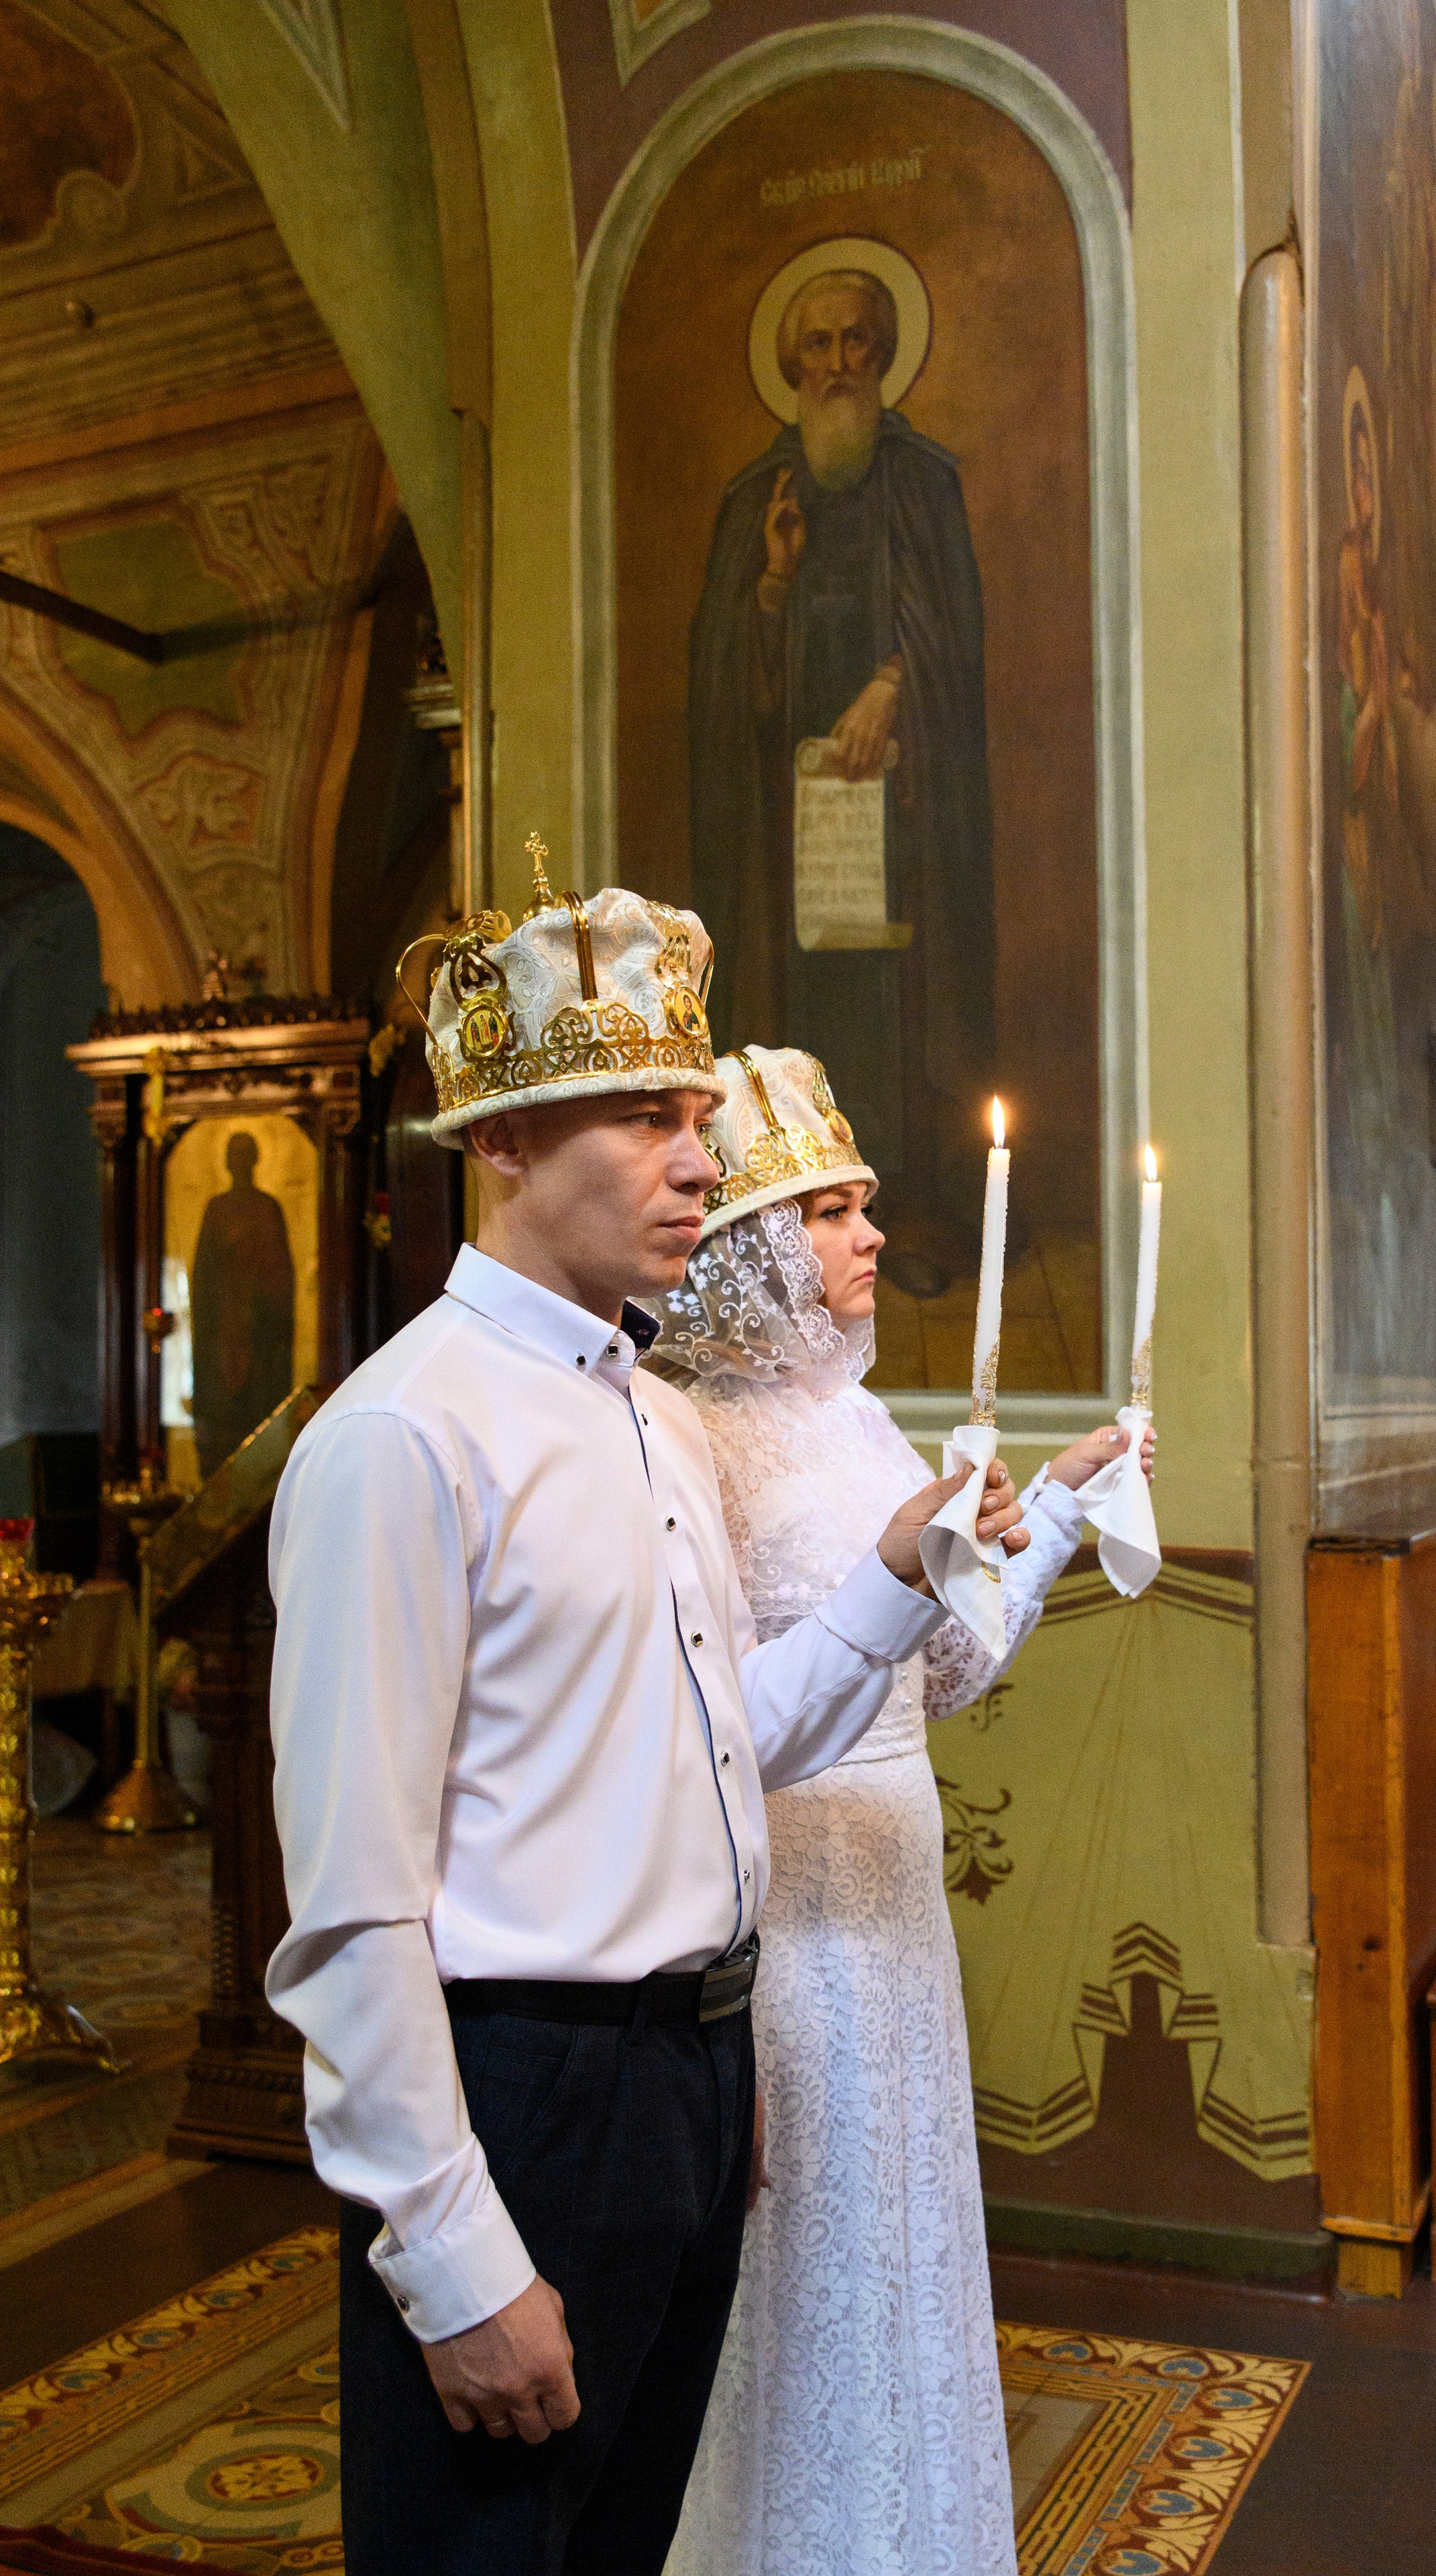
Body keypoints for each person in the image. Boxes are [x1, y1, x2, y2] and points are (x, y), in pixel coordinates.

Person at [263, 882, 1026, 2575]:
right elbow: (351, 1908)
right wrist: (451, 2248)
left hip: (684, 2077)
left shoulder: (662, 1421)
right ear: (507, 1137)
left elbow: (720, 1745)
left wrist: (900, 1574)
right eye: (645, 1116)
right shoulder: (403, 1438)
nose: (697, 1160)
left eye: (698, 1117)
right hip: (516, 2086)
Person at [645, 1046, 1155, 2576]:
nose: (872, 1235)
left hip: (898, 1913)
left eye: (865, 1206)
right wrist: (899, 1558)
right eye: (833, 1210)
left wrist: (1056, 1500)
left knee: (901, 2269)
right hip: (788, 1923)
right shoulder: (699, 1441)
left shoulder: (855, 1418)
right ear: (746, 1244)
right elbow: (707, 1721)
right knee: (802, 2283)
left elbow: (936, 1671)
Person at [689, 266, 993, 1291]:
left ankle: (902, 1210)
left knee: (895, 1001)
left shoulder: (923, 481)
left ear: (884, 351)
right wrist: (772, 584)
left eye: (856, 342)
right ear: (790, 365)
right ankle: (793, 1224)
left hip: (901, 813)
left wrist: (897, 685)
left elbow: (954, 644)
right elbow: (730, 690)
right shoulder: (756, 500)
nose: (836, 365)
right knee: (804, 1004)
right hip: (795, 829)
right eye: (815, 347)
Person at [190, 1128, 294, 1472]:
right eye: (232, 1154)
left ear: (254, 1160)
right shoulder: (217, 1209)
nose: (238, 1162)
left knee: (259, 1409)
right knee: (223, 1415)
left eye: (244, 1154)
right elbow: (204, 1274)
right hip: (224, 1328)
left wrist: (258, 1297)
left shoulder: (268, 1208)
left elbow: (281, 1273)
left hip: (261, 1331)